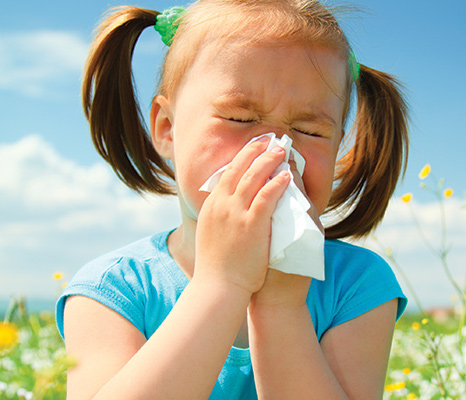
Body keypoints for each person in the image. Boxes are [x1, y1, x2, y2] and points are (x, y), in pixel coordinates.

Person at [56, 1, 410, 398]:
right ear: (168, 128)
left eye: (309, 130)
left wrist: (281, 307)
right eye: (240, 119)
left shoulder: (355, 284)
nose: (274, 150)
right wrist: (221, 284)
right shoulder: (113, 289)